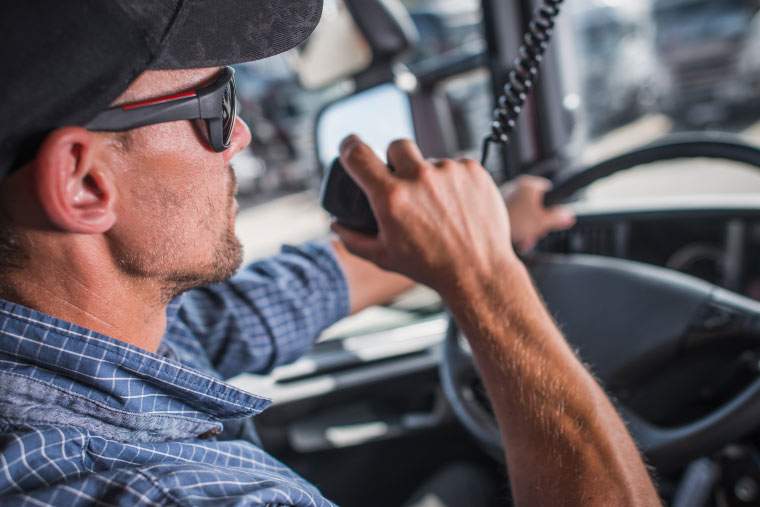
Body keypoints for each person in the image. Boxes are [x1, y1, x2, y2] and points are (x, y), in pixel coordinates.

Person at [0, 1, 660, 506]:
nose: (242, 137)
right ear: (84, 183)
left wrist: (468, 236)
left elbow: (251, 309)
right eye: (216, 104)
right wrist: (488, 280)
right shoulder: (181, 493)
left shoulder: (66, 352)